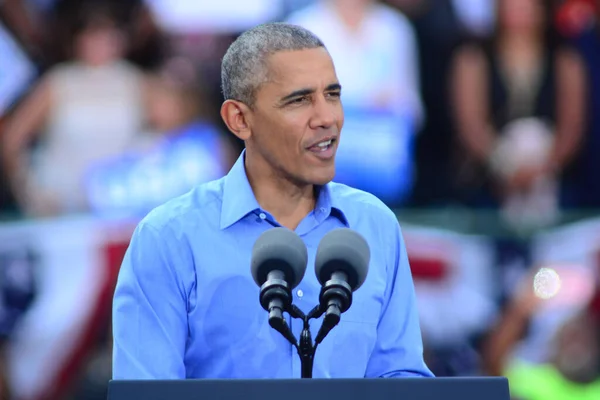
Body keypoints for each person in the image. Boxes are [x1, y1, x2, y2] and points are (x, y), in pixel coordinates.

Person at [112, 22, 433, 379]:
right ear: (239, 120)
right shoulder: (168, 238)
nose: (327, 118)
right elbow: (145, 389)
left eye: (333, 95)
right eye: (299, 100)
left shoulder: (375, 225)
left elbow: (401, 379)